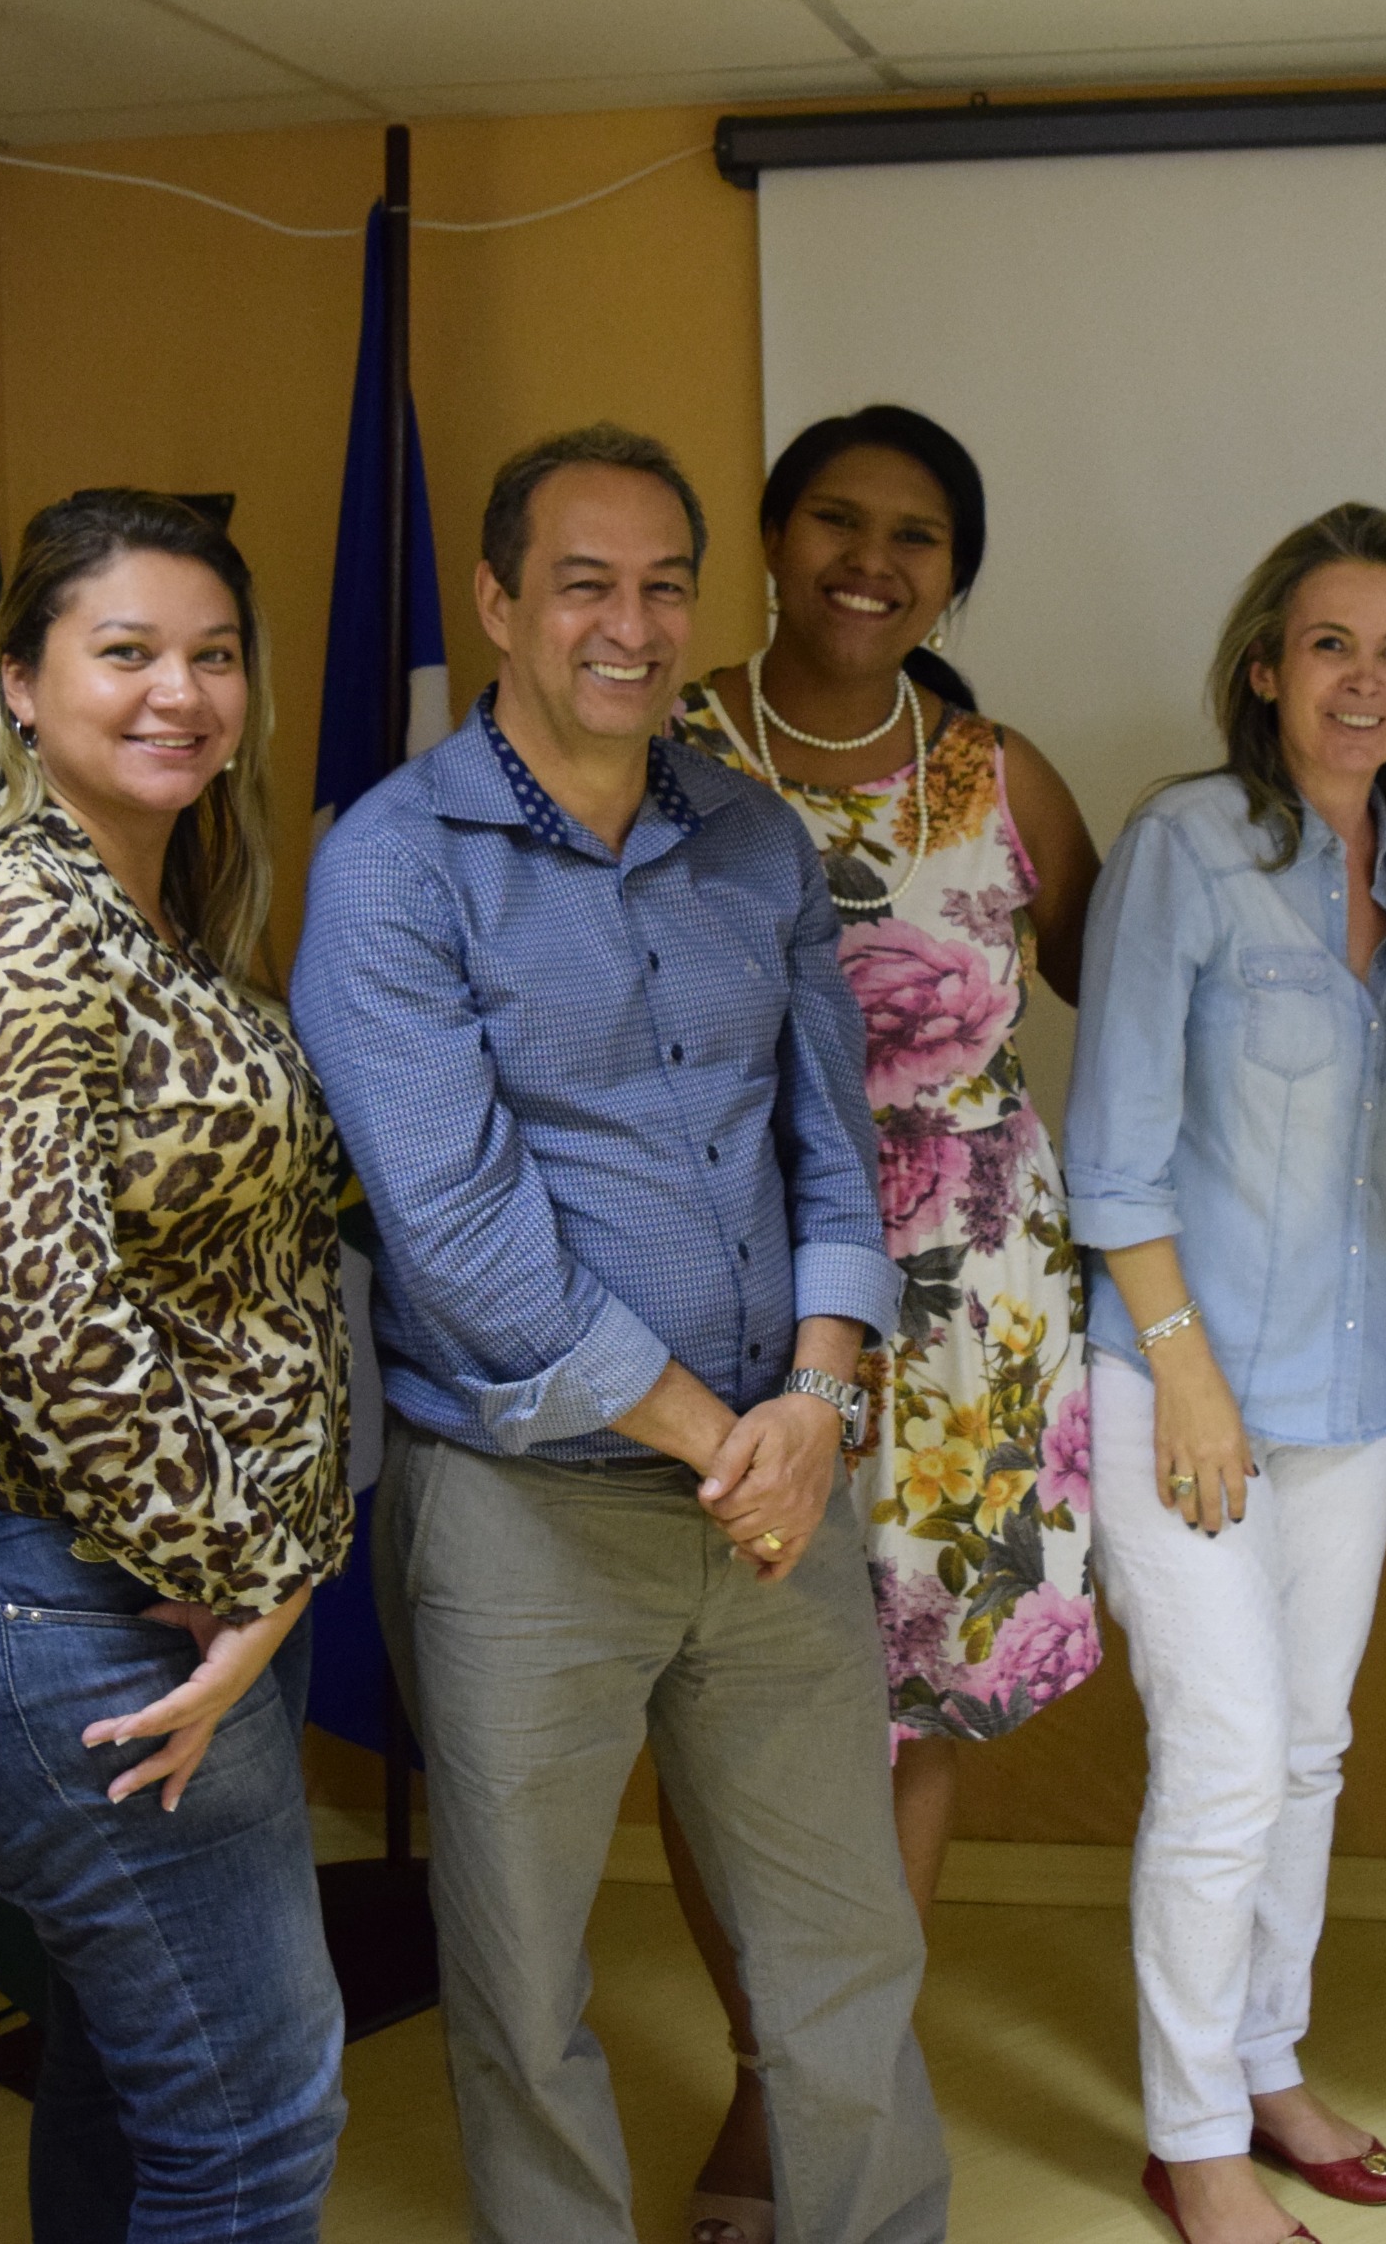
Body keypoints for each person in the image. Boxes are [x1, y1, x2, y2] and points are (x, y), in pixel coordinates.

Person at [294, 423, 950, 2244]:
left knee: (845, 1950)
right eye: (585, 582)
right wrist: (727, 1438)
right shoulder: (394, 866)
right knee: (525, 1984)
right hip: (526, 1514)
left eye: (666, 585)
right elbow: (458, 1234)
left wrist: (813, 1396)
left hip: (777, 1501)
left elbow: (834, 1146)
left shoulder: (755, 839)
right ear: (499, 601)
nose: (633, 623)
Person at [0, 488, 353, 2244]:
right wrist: (246, 1570)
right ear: (20, 680)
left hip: (167, 1593)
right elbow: (44, 1311)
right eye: (126, 650)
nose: (181, 693)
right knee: (254, 2130)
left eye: (214, 655)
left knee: (139, 2088)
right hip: (93, 1604)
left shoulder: (149, 907)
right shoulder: (14, 913)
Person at [666, 405, 1105, 2244]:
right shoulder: (669, 747)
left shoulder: (1002, 777)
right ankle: (769, 2065)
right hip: (736, 1296)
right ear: (772, 541)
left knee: (912, 1710)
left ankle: (836, 2073)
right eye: (834, 519)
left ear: (956, 574)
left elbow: (1142, 1017)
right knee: (729, 1705)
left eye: (916, 534)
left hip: (976, 1313)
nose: (872, 559)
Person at [1065, 503, 1386, 2244]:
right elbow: (1111, 1155)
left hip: (1358, 1390)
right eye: (1329, 645)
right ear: (1263, 668)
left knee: (1309, 1749)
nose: (1362, 680)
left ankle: (1267, 2060)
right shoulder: (1184, 847)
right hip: (1181, 1381)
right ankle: (1194, 2135)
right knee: (1227, 1757)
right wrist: (1189, 1373)